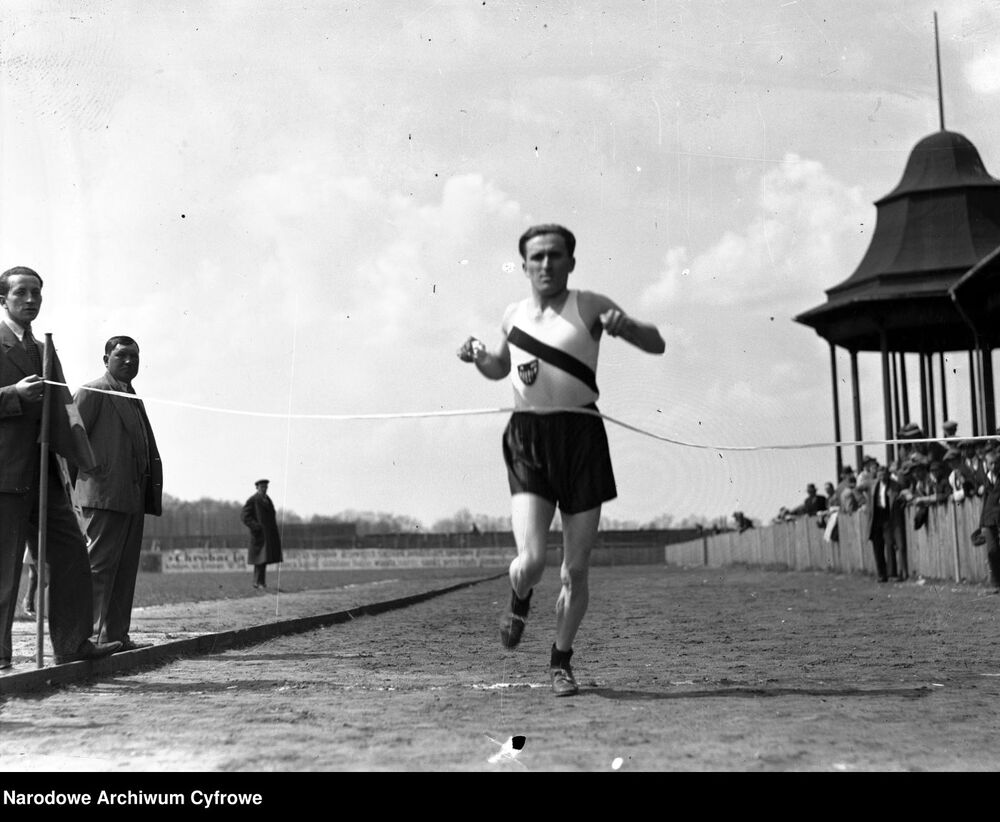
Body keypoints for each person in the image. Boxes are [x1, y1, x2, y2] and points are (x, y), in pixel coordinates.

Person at [457, 223, 665, 697]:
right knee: (529, 561)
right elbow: (499, 367)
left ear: (570, 262)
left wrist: (625, 326)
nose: (546, 264)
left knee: (576, 569)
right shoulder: (513, 315)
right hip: (529, 437)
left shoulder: (589, 305)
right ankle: (521, 595)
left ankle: (560, 659)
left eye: (555, 256)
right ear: (524, 265)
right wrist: (477, 357)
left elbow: (657, 343)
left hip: (581, 437)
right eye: (537, 257)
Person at [0, 266, 121, 669]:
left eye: (37, 292)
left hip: (45, 473)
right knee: (3, 566)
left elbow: (65, 408)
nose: (31, 300)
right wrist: (12, 394)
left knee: (71, 551)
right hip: (5, 474)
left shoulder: (44, 348)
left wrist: (84, 460)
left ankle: (72, 644)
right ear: (4, 299)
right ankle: (0, 656)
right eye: (21, 293)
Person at [71, 335, 163, 652]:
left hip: (132, 498)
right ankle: (91, 637)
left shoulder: (131, 396)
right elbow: (69, 442)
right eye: (121, 355)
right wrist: (73, 495)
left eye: (135, 357)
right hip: (101, 497)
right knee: (98, 568)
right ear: (105, 358)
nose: (128, 361)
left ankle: (116, 635)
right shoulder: (92, 391)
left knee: (124, 572)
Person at [240, 479, 283, 589]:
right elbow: (244, 516)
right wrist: (256, 527)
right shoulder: (253, 500)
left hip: (267, 535)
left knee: (263, 560)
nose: (264, 489)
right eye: (262, 487)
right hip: (259, 535)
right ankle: (258, 582)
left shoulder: (267, 500)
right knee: (259, 560)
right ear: (257, 488)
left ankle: (260, 582)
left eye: (265, 487)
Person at [868, 462, 907, 582]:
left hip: (888, 518)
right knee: (877, 547)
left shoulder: (895, 485)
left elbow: (900, 498)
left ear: (888, 475)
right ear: (877, 475)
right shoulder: (873, 485)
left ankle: (892, 573)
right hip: (876, 518)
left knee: (890, 545)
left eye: (884, 474)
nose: (882, 476)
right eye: (880, 474)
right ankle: (881, 574)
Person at [978, 448, 1000, 592]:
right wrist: (981, 524)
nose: (994, 466)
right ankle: (995, 583)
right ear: (987, 464)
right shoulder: (985, 480)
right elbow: (984, 502)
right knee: (992, 551)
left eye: (997, 463)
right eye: (991, 463)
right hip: (987, 520)